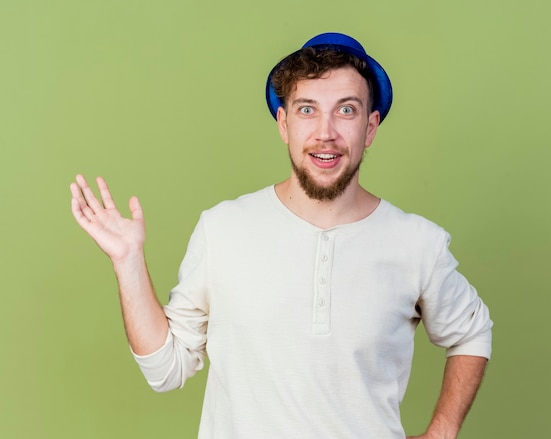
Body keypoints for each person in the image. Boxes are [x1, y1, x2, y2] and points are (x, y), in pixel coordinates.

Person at [70, 32, 493, 439]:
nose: (325, 131)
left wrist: (443, 429)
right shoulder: (223, 229)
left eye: (346, 110)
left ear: (370, 127)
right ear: (283, 123)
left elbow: (472, 331)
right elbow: (166, 371)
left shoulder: (418, 243)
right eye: (307, 109)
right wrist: (128, 262)